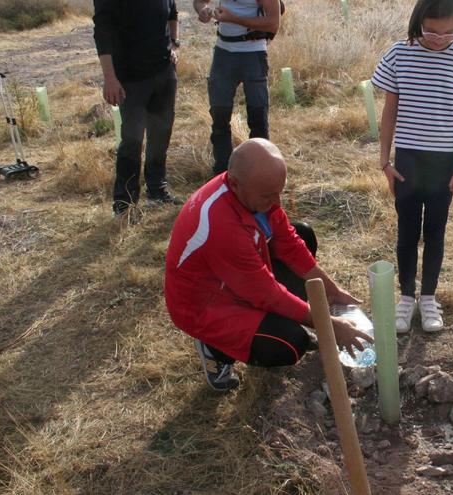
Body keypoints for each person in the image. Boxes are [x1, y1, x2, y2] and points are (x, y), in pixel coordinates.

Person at [165, 138, 372, 391]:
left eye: (279, 192)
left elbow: (289, 244)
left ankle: (274, 321)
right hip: (206, 305)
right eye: (268, 196)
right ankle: (215, 350)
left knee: (303, 234)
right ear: (235, 183)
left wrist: (332, 290)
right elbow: (266, 293)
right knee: (289, 344)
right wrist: (329, 324)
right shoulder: (219, 224)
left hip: (239, 276)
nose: (276, 202)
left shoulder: (255, 189)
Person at [371, 0, 453, 334]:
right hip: (408, 159)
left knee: (435, 231)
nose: (439, 38)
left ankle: (428, 297)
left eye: (448, 32)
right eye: (431, 31)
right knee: (407, 230)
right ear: (417, 21)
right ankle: (406, 297)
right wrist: (385, 161)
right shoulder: (398, 55)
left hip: (443, 161)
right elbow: (389, 111)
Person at [93, 0, 183, 217]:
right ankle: (124, 203)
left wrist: (173, 43)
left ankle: (156, 189)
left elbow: (172, 12)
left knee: (161, 134)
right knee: (132, 141)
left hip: (163, 71)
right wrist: (110, 78)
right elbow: (102, 33)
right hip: (130, 79)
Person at [193, 0, 282, 176]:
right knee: (219, 117)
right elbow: (199, 2)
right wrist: (203, 10)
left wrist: (234, 19)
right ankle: (222, 173)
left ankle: (259, 173)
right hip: (223, 52)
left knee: (258, 119)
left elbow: (273, 22)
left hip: (253, 53)